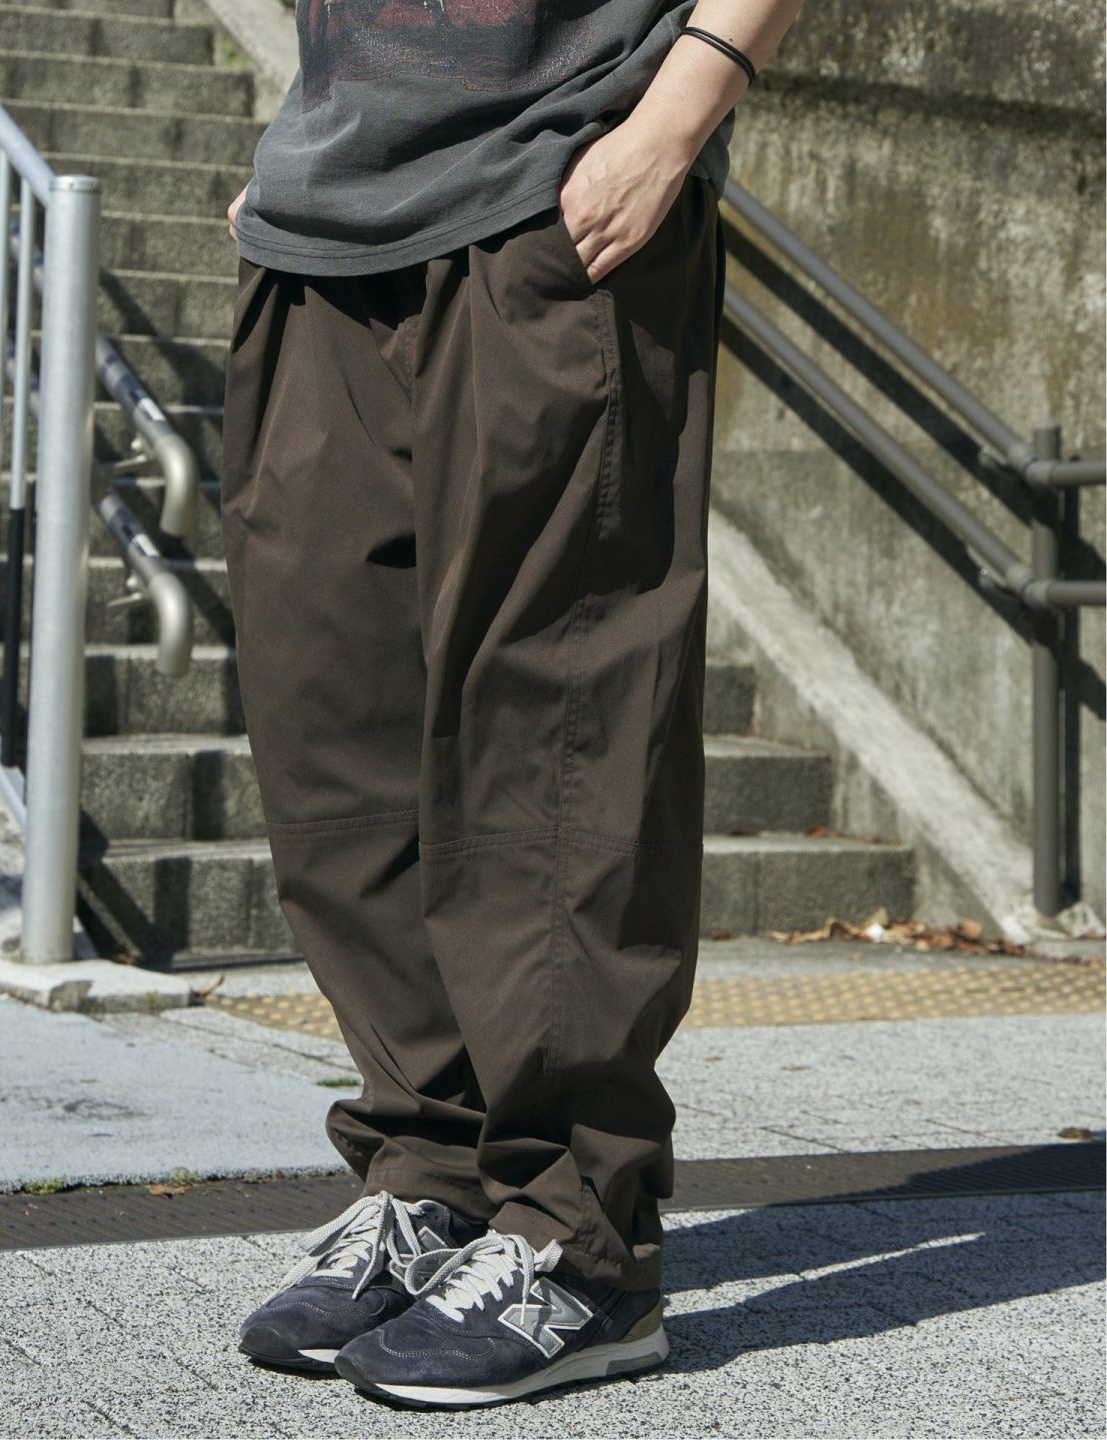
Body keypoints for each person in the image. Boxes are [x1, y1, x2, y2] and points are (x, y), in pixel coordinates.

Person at [220, 0, 805, 1409]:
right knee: (334, 724)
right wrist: (306, 135)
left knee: (557, 725)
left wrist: (679, 115)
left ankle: (579, 1239)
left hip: (557, 196)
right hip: (323, 217)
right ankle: (430, 1174)